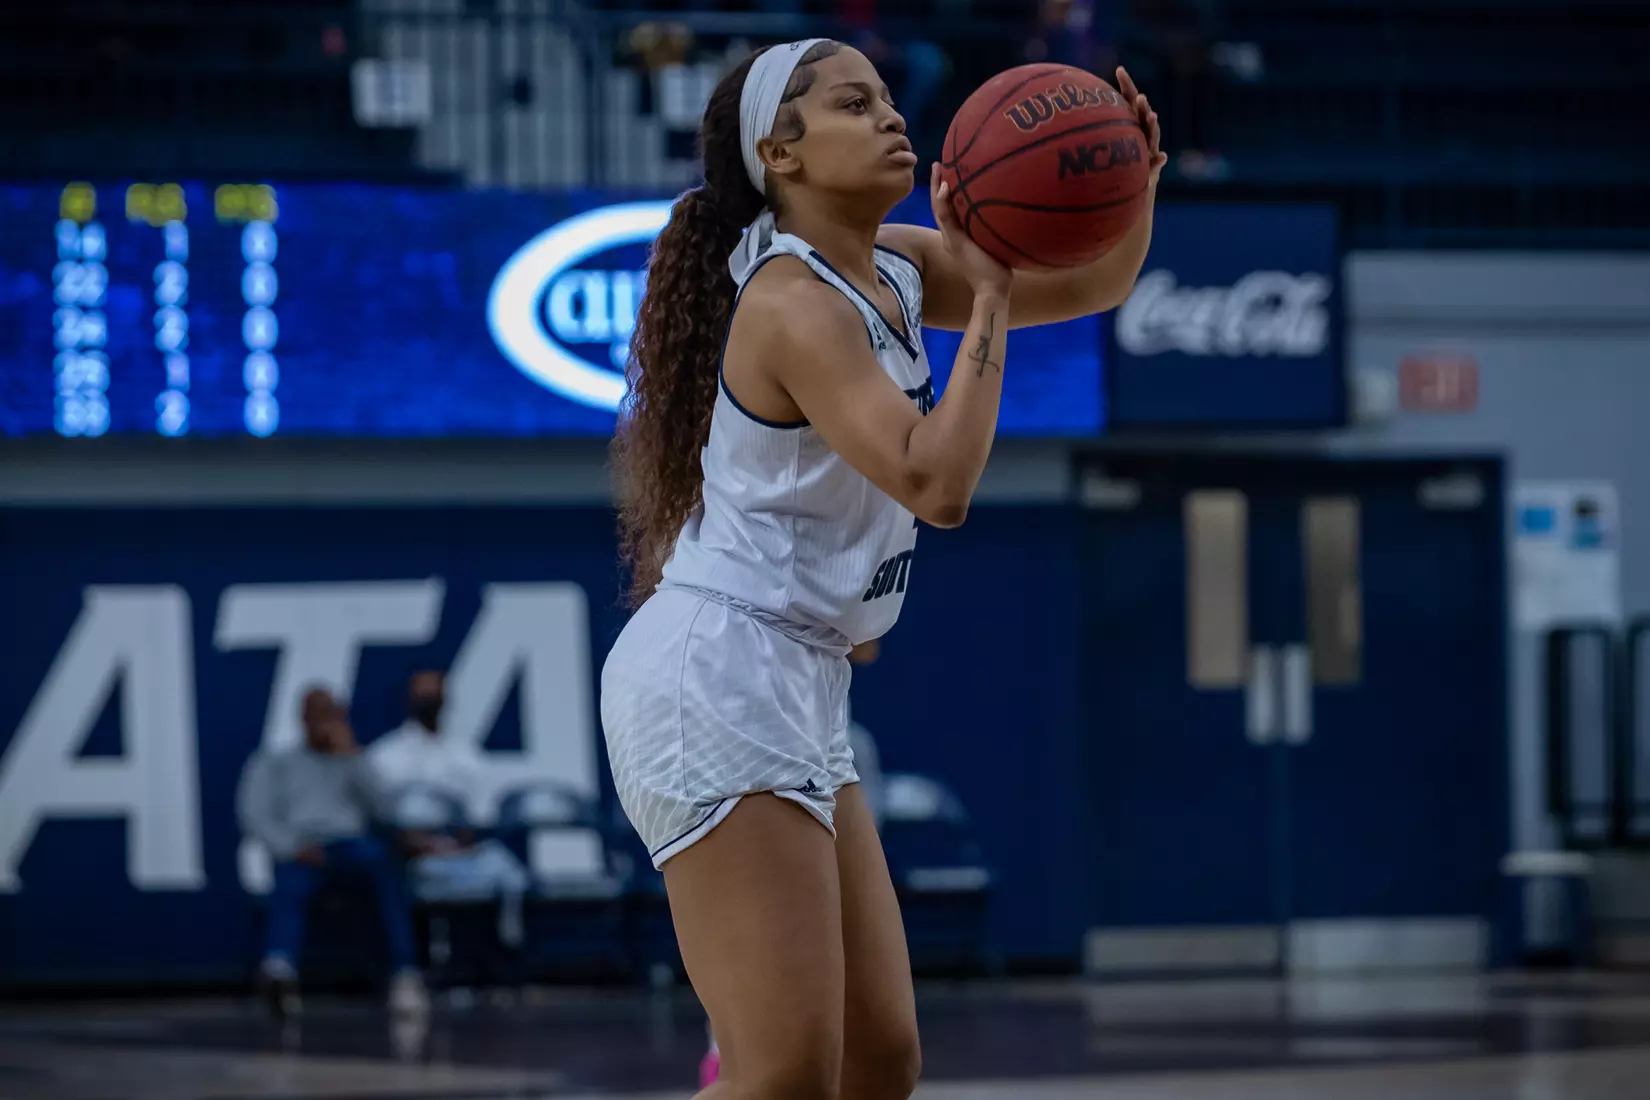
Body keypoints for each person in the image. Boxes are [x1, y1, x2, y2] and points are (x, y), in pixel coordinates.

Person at [601, 39, 1163, 1100]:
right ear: (782, 153)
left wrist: (1130, 179)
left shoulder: (896, 263)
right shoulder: (790, 300)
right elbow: (936, 483)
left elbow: (1096, 282)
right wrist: (987, 302)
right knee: (782, 1074)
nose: (893, 117)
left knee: (879, 1061)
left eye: (889, 99)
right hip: (715, 673)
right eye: (854, 105)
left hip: (801, 677)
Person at [236, 687, 427, 1018]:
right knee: (291, 883)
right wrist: (290, 846)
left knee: (384, 867)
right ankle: (280, 970)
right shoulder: (275, 761)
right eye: (318, 715)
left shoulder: (353, 760)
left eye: (331, 715)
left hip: (351, 846)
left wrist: (353, 758)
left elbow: (385, 811)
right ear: (303, 719)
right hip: (303, 847)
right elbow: (254, 814)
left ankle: (404, 972)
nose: (325, 723)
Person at [366, 670, 530, 959]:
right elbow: (380, 817)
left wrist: (462, 842)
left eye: (435, 694)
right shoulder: (386, 755)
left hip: (462, 851)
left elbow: (483, 812)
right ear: (410, 698)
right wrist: (418, 844)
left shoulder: (464, 753)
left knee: (510, 875)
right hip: (412, 857)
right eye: (423, 694)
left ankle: (504, 954)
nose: (429, 700)